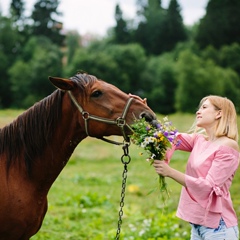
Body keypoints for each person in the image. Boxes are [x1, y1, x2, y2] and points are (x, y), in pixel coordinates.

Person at [153, 95, 239, 240]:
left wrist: (170, 172)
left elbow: (208, 187)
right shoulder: (199, 140)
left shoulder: (228, 146)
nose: (198, 111)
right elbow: (171, 137)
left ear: (219, 113)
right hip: (197, 225)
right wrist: (141, 112)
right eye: (199, 108)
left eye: (204, 107)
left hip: (218, 228)